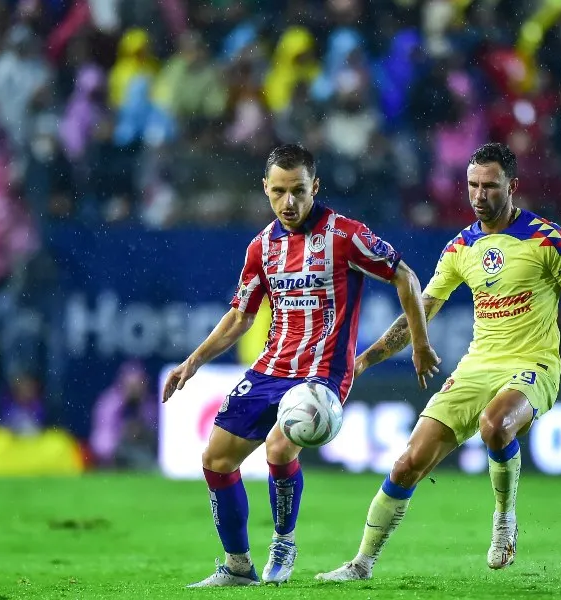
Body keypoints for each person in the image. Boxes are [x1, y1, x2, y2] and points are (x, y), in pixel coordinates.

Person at [316, 143, 561, 582]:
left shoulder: (547, 237)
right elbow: (422, 308)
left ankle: (505, 520)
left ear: (513, 187)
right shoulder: (460, 247)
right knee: (408, 462)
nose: (479, 195)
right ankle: (361, 563)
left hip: (533, 365)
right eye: (473, 185)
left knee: (495, 424)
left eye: (490, 186)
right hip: (475, 367)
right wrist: (364, 360)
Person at [162, 144, 440, 587]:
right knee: (215, 459)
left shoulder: (345, 235)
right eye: (278, 192)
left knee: (279, 446)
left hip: (323, 371)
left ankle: (284, 541)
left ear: (316, 187)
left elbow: (405, 276)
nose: (288, 203)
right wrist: (192, 362)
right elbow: (240, 316)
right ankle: (237, 568)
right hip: (272, 365)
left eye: (298, 191)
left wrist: (420, 344)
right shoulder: (261, 248)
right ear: (265, 190)